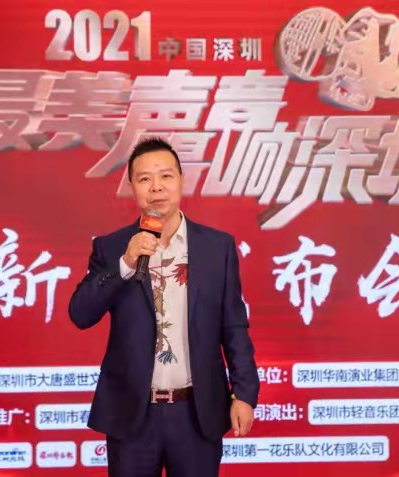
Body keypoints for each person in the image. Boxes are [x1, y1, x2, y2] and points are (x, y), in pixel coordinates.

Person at [68, 137, 259, 477]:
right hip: (132, 413)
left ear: (182, 180)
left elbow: (233, 326)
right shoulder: (112, 247)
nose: (156, 187)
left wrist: (243, 393)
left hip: (197, 412)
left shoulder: (217, 248)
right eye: (144, 179)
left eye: (166, 176)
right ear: (132, 187)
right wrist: (126, 264)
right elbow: (80, 314)